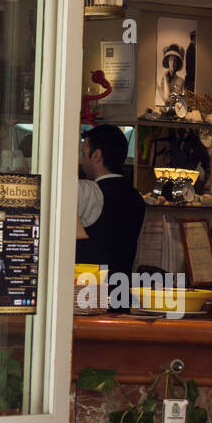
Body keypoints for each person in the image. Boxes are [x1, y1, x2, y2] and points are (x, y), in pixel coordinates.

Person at [74, 125, 144, 310]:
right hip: (121, 297)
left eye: (84, 153)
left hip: (88, 298)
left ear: (96, 156)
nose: (81, 160)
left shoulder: (90, 194)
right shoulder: (135, 196)